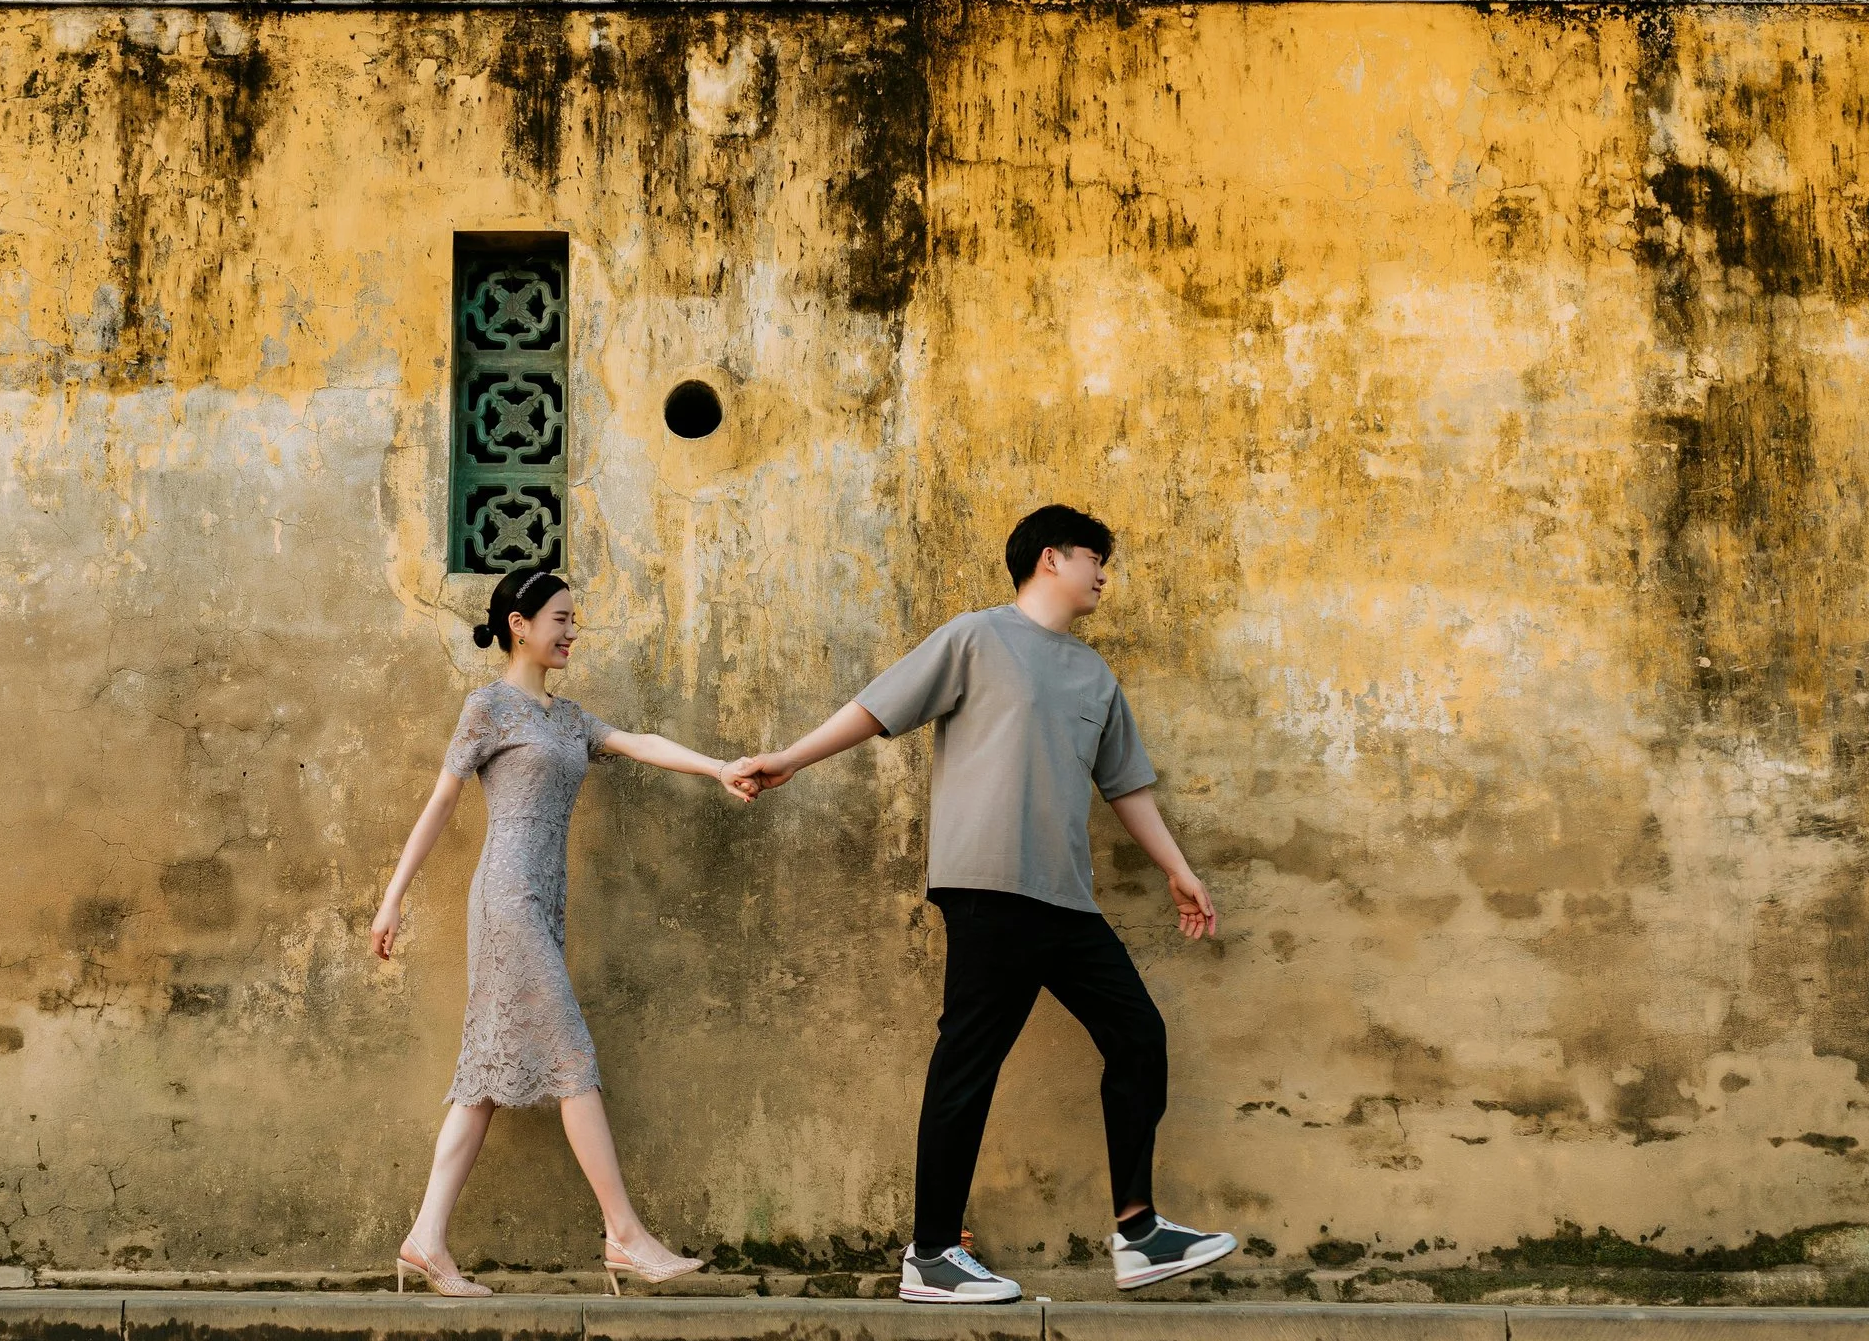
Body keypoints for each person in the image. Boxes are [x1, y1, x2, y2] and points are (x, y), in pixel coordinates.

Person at [735, 505, 1237, 1301]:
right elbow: (879, 706)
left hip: (1065, 899)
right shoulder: (976, 637)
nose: (1105, 573)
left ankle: (1140, 1234)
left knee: (1138, 1034)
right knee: (969, 1061)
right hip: (989, 887)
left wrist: (1178, 868)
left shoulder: (1094, 677)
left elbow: (1125, 785)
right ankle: (932, 1253)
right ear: (1051, 558)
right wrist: (790, 759)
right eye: (1095, 558)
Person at [372, 566, 757, 1298]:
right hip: (506, 899)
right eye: (560, 618)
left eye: (574, 619)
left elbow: (640, 741)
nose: (572, 631)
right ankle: (624, 1236)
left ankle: (425, 1241)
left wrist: (717, 769)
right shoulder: (487, 707)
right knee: (571, 1053)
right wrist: (392, 899)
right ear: (519, 625)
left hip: (545, 901)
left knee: (484, 1074)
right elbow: (439, 805)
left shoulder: (570, 719)